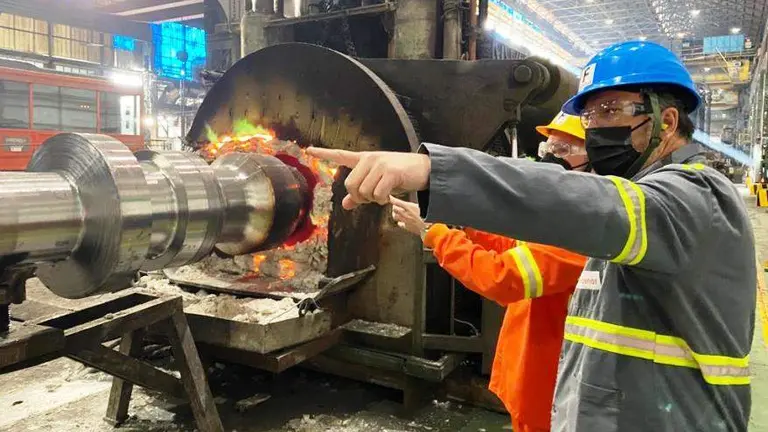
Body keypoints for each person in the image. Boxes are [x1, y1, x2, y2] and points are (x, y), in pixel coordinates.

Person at [307, 40, 756, 432]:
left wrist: (433, 172)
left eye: (612, 110)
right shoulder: (636, 210)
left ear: (668, 120)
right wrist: (450, 217)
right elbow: (533, 233)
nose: (597, 127)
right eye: (591, 115)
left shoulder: (694, 197)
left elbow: (579, 212)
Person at [390, 112, 588, 432]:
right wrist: (459, 219)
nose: (551, 157)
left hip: (550, 380)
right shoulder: (559, 218)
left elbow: (501, 278)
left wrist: (435, 234)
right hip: (529, 365)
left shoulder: (582, 230)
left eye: (564, 149)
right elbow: (511, 244)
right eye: (547, 148)